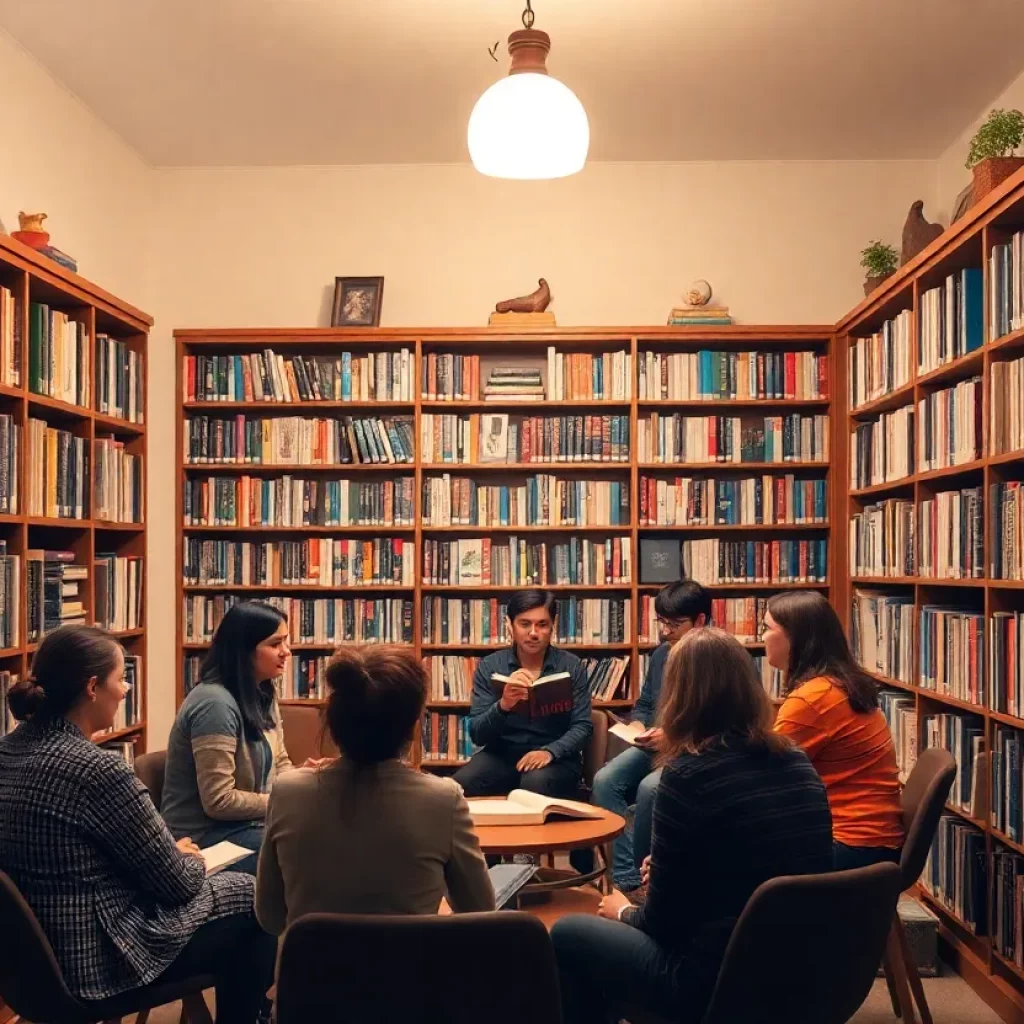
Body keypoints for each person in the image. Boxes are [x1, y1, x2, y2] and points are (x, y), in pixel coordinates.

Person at [550, 629, 833, 1024]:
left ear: (681, 698)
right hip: (802, 971)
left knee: (568, 933)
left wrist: (623, 911)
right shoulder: (797, 760)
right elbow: (757, 860)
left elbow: (662, 926)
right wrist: (668, 870)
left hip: (712, 981)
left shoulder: (687, 777)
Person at [0, 625, 274, 1024]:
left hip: (26, 964)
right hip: (97, 960)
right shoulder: (97, 770)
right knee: (252, 893)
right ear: (92, 687)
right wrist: (187, 857)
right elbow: (177, 884)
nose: (126, 689)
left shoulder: (6, 753)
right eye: (121, 678)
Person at [255, 645, 494, 933]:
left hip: (309, 976)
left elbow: (270, 917)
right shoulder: (444, 799)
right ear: (413, 725)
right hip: (410, 976)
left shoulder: (287, 791)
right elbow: (480, 911)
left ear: (333, 721)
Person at [765, 590, 905, 870]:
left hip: (849, 845)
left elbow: (763, 777)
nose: (763, 637)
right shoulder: (840, 684)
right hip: (874, 841)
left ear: (795, 637)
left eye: (767, 628)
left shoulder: (812, 699)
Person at [592, 580, 710, 893]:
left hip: (694, 749)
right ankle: (628, 878)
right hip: (654, 744)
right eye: (661, 622)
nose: (665, 631)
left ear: (700, 621)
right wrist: (639, 727)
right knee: (605, 781)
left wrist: (672, 736)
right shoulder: (661, 655)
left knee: (650, 790)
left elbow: (721, 722)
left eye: (674, 624)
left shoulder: (717, 659)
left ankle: (651, 882)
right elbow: (645, 703)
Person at [163, 601, 294, 874]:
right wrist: (285, 800)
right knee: (302, 850)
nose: (286, 652)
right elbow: (219, 801)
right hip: (204, 839)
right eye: (275, 644)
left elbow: (280, 760)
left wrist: (300, 785)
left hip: (247, 825)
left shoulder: (262, 691)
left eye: (285, 641)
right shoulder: (214, 703)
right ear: (244, 651)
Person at [452, 588, 593, 800]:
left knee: (533, 784)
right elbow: (477, 733)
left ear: (553, 625)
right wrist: (503, 705)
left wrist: (550, 752)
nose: (533, 633)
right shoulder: (491, 666)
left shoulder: (572, 667)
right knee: (460, 785)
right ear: (510, 625)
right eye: (525, 624)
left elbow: (583, 726)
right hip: (501, 755)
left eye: (542, 624)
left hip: (555, 757)